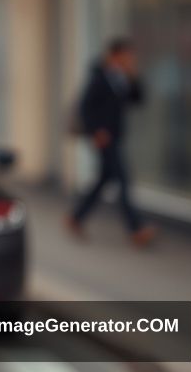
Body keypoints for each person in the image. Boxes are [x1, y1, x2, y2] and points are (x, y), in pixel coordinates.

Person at [67, 38, 159, 247]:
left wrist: (133, 77)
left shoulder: (122, 78)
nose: (130, 60)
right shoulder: (100, 78)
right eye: (127, 56)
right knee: (124, 182)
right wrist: (96, 131)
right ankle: (136, 228)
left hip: (116, 136)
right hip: (105, 139)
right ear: (114, 56)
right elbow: (85, 107)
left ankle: (75, 218)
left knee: (103, 181)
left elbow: (138, 99)